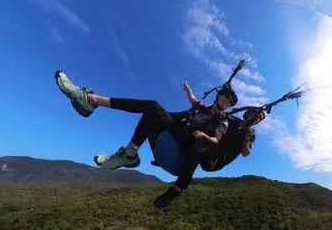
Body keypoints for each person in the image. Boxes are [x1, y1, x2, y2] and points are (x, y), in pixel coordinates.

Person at [54, 70, 258, 207]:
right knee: (152, 107)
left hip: (189, 146)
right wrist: (188, 91)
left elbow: (216, 141)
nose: (225, 102)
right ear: (219, 96)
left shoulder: (223, 121)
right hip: (179, 133)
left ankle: (91, 100)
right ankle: (128, 150)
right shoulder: (202, 108)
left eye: (229, 102)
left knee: (154, 108)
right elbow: (194, 101)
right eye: (225, 98)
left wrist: (205, 135)